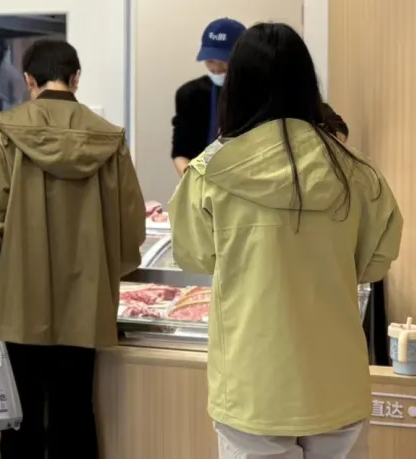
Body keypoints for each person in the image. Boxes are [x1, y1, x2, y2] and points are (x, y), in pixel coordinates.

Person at [169, 23, 403, 459]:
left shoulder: (208, 174)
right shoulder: (358, 171)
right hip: (337, 381)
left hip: (252, 385)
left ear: (237, 86)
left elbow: (195, 257)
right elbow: (375, 263)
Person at [0, 38, 147, 459]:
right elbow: (131, 221)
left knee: (21, 412)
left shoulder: (2, 132)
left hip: (20, 295)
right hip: (87, 297)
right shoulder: (110, 139)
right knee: (75, 408)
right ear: (75, 78)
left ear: (29, 80)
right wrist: (110, 270)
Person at [171, 18, 246, 176]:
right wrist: (194, 182)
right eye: (210, 60)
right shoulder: (190, 94)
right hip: (201, 180)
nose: (216, 68)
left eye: (224, 61)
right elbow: (181, 151)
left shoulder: (257, 94)